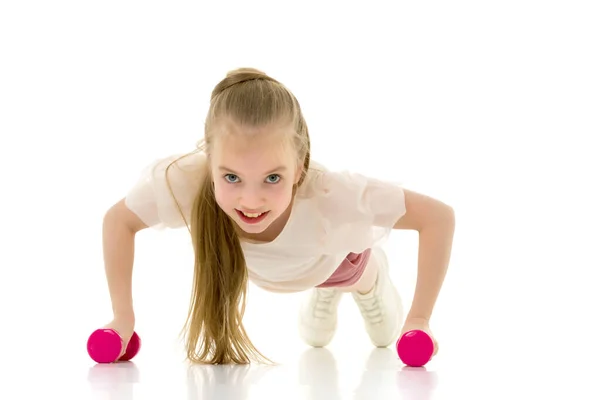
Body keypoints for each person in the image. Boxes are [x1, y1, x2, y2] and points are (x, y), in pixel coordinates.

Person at [101, 67, 456, 365]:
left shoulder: (331, 195)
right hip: (282, 269)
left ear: (299, 168)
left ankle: (370, 282)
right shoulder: (187, 182)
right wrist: (123, 317)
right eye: (231, 177)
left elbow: (438, 218)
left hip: (339, 264)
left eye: (273, 178)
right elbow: (118, 221)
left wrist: (420, 318)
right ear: (210, 163)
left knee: (381, 334)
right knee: (315, 337)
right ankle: (325, 296)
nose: (250, 201)